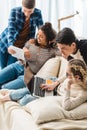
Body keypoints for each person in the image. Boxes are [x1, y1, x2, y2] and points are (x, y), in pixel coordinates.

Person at [0, 22, 61, 105]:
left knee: (4, 88)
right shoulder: (32, 42)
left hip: (27, 76)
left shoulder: (53, 51)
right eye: (38, 35)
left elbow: (62, 50)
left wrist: (54, 40)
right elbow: (24, 48)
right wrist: (24, 49)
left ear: (49, 40)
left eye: (41, 36)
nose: (38, 38)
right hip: (17, 66)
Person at [1, 59, 87, 111]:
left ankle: (14, 97)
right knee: (29, 88)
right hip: (53, 83)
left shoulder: (83, 94)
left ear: (77, 77)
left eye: (68, 75)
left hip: (55, 94)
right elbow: (65, 75)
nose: (66, 76)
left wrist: (68, 86)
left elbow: (67, 107)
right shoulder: (74, 74)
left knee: (25, 100)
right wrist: (55, 84)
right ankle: (5, 98)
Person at [0, 0, 43, 69]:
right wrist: (10, 45)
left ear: (34, 8)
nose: (27, 14)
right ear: (22, 6)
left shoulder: (37, 13)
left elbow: (41, 30)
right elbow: (11, 30)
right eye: (25, 10)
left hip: (19, 48)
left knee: (10, 69)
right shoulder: (14, 11)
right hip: (5, 43)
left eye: (30, 11)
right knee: (3, 70)